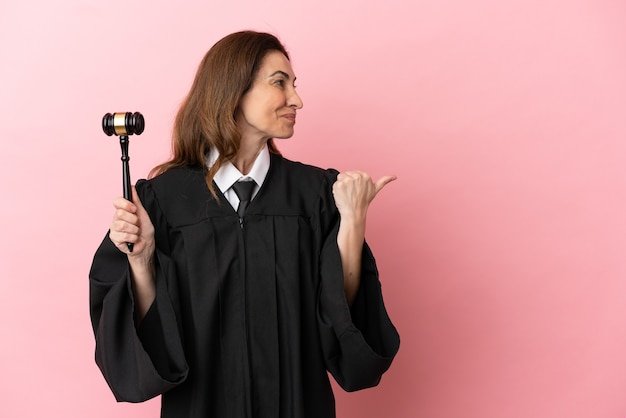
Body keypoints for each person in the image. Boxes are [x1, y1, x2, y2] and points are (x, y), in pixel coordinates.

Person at [89, 30, 400, 418]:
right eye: (279, 83)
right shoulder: (162, 201)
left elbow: (342, 325)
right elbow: (146, 344)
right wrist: (141, 262)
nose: (297, 99)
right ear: (233, 90)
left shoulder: (316, 194)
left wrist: (352, 223)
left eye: (294, 84)